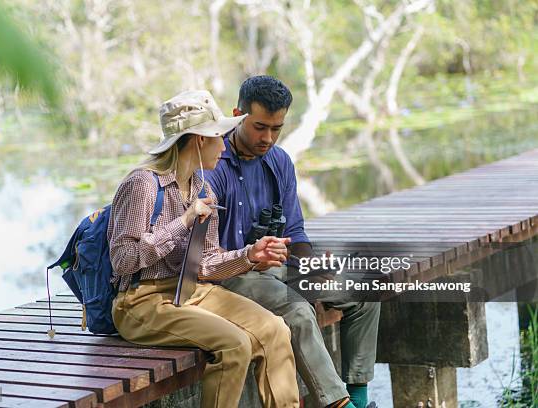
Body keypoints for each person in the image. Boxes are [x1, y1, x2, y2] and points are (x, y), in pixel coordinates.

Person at [107, 89, 300, 408]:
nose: (224, 145)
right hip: (140, 302)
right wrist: (182, 221)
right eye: (218, 137)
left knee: (275, 328)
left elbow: (207, 264)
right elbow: (123, 261)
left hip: (191, 291)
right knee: (235, 344)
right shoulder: (142, 184)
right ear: (199, 139)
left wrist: (250, 255)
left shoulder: (202, 187)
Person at [205, 76, 381, 408]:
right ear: (236, 114)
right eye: (259, 127)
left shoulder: (279, 161)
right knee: (299, 312)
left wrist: (313, 268)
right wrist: (252, 257)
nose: (267, 138)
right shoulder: (213, 165)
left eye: (276, 128)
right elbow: (206, 258)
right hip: (229, 275)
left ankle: (359, 396)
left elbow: (296, 233)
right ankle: (339, 405)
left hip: (278, 269)